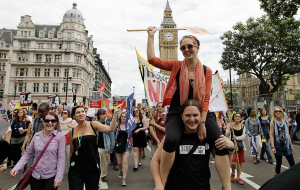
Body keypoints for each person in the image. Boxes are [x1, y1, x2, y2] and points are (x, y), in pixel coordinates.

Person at [147, 26, 230, 187]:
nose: (186, 50)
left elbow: (206, 99)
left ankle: (227, 187)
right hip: (178, 112)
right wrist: (151, 36)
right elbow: (152, 60)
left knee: (220, 143)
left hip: (201, 113)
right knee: (170, 139)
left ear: (197, 48)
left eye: (190, 46)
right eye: (183, 47)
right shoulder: (177, 66)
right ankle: (162, 183)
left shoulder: (207, 71)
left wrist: (202, 123)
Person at [151, 99, 234, 190]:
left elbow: (223, 163)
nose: (192, 119)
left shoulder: (207, 136)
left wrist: (230, 148)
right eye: (188, 115)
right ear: (182, 116)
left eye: (195, 115)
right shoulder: (173, 137)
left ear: (201, 116)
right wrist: (159, 185)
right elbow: (155, 161)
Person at [68, 105, 121, 190]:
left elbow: (111, 129)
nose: (81, 114)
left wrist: (114, 114)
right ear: (74, 116)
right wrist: (70, 166)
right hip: (76, 168)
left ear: (85, 113)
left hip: (92, 166)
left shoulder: (93, 124)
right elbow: (71, 151)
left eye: (83, 111)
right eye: (78, 112)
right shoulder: (72, 131)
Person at [10, 112, 66, 190]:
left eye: (53, 121)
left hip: (50, 176)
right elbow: (28, 154)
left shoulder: (60, 137)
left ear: (56, 122)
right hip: (35, 175)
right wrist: (16, 168)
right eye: (47, 121)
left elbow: (61, 159)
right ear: (43, 122)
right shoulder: (37, 135)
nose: (50, 123)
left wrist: (58, 178)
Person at [270, 106, 295, 175]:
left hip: (286, 144)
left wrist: (291, 145)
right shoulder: (272, 123)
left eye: (280, 111)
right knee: (279, 162)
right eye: (276, 111)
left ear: (282, 112)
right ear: (274, 113)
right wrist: (272, 147)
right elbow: (271, 135)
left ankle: (292, 176)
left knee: (292, 162)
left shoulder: (286, 122)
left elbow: (288, 134)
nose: (278, 112)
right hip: (278, 144)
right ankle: (277, 175)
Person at [94, 108, 115, 184]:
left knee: (104, 162)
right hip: (96, 146)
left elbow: (112, 136)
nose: (104, 115)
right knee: (97, 163)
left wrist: (112, 147)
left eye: (105, 114)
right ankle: (98, 177)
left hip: (105, 146)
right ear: (99, 115)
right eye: (102, 114)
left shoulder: (108, 123)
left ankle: (103, 175)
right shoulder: (95, 124)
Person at [226, 112, 246, 185]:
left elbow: (244, 136)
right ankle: (233, 173)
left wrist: (236, 138)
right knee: (233, 163)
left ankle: (238, 177)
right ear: (234, 117)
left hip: (240, 146)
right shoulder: (230, 125)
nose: (237, 118)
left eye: (238, 116)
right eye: (236, 116)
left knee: (239, 162)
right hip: (232, 146)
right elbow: (226, 134)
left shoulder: (243, 126)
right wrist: (230, 130)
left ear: (241, 118)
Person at [115, 112, 133, 186]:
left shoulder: (129, 126)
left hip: (127, 145)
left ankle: (124, 179)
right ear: (120, 118)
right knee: (119, 162)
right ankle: (121, 171)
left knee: (124, 162)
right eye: (122, 116)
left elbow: (131, 136)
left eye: (124, 116)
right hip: (118, 145)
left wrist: (132, 145)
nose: (123, 118)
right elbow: (113, 136)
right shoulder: (117, 126)